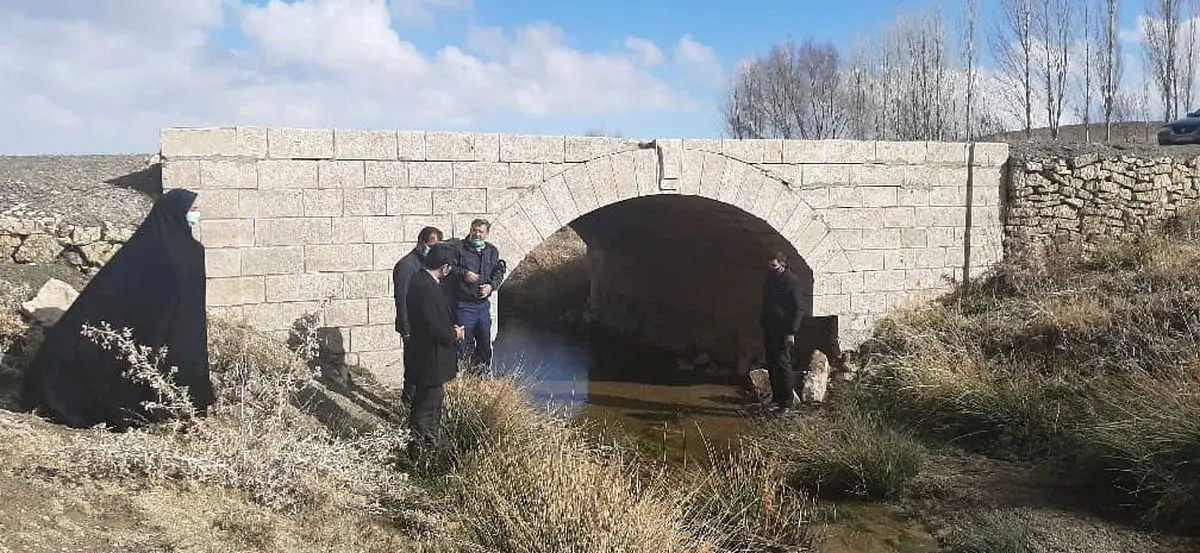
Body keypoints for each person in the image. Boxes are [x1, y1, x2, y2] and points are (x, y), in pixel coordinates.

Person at [20, 188, 215, 430]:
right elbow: (120, 288)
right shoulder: (155, 247)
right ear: (176, 212)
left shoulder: (188, 250)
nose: (197, 213)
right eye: (192, 209)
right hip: (152, 326)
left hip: (178, 324)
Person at [404, 243, 464, 456]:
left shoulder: (425, 281)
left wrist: (450, 327)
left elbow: (435, 319)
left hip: (431, 358)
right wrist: (453, 334)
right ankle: (418, 451)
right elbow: (431, 325)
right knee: (426, 407)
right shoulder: (425, 286)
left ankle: (429, 447)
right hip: (430, 358)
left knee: (433, 404)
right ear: (445, 267)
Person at [446, 219, 506, 374]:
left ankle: (482, 375)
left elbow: (498, 272)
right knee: (464, 343)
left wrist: (491, 286)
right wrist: (464, 273)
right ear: (470, 230)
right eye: (474, 230)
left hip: (482, 305)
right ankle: (465, 376)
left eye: (480, 231)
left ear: (487, 234)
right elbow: (448, 268)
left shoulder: (491, 251)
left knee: (485, 343)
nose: (477, 234)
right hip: (464, 304)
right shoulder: (459, 249)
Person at [392, 226, 443, 404]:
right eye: (431, 245)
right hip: (412, 326)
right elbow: (402, 299)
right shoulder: (406, 266)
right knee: (413, 367)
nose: (433, 250)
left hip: (424, 325)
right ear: (421, 243)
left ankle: (416, 404)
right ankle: (407, 404)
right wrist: (406, 328)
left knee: (423, 367)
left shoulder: (427, 264)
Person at [759, 251, 810, 415]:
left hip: (783, 329)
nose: (771, 268)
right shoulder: (770, 278)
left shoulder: (790, 281)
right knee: (772, 363)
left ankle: (787, 403)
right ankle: (776, 399)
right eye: (769, 265)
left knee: (783, 364)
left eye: (773, 265)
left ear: (782, 264)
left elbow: (798, 308)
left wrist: (791, 331)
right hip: (770, 326)